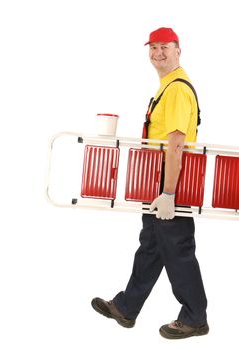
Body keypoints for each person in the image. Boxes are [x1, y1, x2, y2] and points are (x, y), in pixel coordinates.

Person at [91, 27, 208, 340]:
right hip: (158, 184)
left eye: (164, 47)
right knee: (151, 247)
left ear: (178, 49)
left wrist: (169, 193)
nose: (158, 53)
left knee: (178, 249)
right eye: (153, 47)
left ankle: (196, 317)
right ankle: (127, 308)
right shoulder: (166, 87)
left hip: (172, 184)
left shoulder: (178, 89)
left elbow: (176, 145)